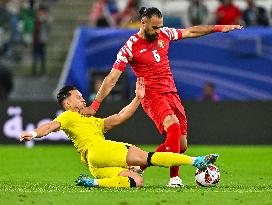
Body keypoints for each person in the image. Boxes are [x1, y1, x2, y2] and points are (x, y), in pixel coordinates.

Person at [79, 7, 241, 187]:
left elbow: (191, 31)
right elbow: (111, 79)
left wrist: (219, 28)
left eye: (160, 27)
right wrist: (95, 105)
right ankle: (174, 178)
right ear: (143, 23)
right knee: (173, 126)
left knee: (181, 145)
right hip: (152, 95)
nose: (158, 31)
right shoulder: (130, 46)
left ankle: (141, 166)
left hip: (171, 92)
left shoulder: (165, 34)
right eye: (155, 28)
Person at [19, 78, 219, 188]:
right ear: (68, 103)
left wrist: (138, 99)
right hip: (99, 149)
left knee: (136, 181)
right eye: (78, 97)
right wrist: (34, 134)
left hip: (95, 165)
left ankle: (93, 183)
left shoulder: (92, 121)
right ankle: (196, 161)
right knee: (146, 157)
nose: (83, 99)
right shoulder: (68, 116)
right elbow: (49, 127)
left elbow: (120, 116)